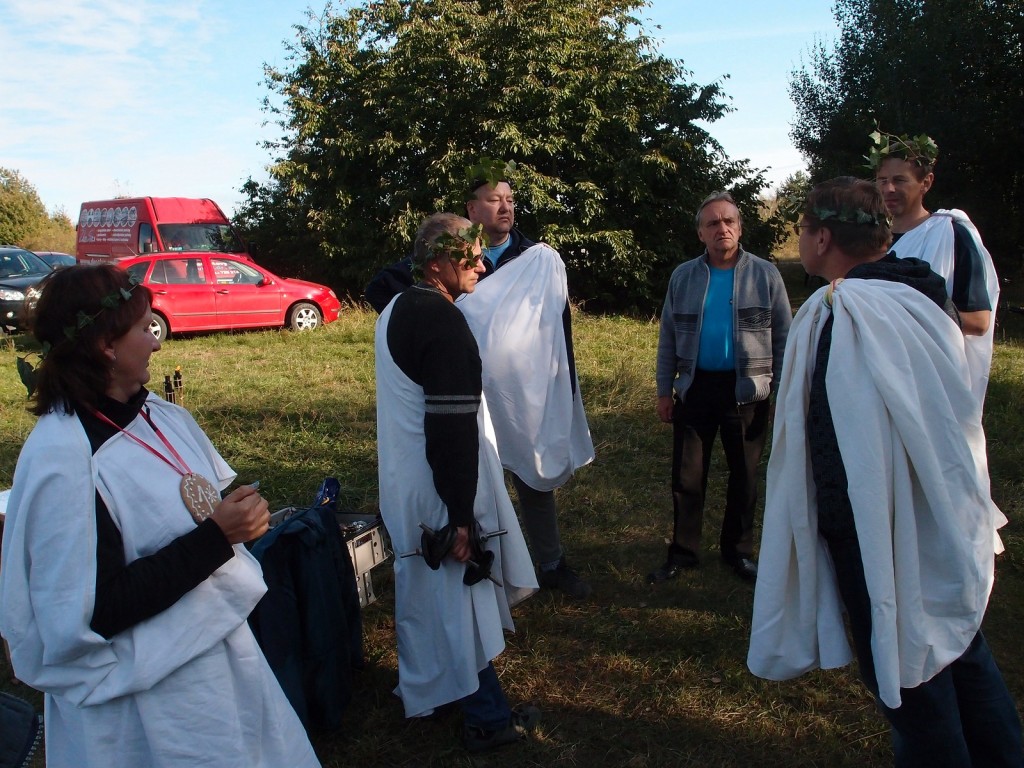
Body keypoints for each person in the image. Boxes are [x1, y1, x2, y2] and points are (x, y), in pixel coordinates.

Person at [748, 177, 1021, 767]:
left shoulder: (846, 313)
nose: (802, 240)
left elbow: (835, 440)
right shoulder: (921, 294)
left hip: (878, 530)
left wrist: (832, 534)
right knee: (961, 650)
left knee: (910, 679)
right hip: (941, 508)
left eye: (803, 229)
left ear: (824, 238)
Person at [0, 265, 319, 768]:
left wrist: (230, 521)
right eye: (144, 328)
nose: (156, 342)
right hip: (146, 703)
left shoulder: (158, 416)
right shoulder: (65, 460)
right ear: (105, 345)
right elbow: (94, 611)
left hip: (218, 656)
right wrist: (216, 537)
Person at [367, 170, 594, 599]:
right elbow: (388, 290)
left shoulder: (534, 258)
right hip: (459, 385)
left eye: (510, 199)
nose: (505, 207)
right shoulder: (448, 252)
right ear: (472, 210)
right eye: (493, 200)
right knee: (475, 475)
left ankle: (550, 563)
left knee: (532, 475)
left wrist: (561, 386)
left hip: (522, 394)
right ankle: (492, 567)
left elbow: (557, 327)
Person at [375, 213, 540, 753]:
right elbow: (450, 427)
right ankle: (486, 718)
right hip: (436, 486)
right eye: (468, 255)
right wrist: (461, 515)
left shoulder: (399, 305)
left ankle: (431, 693)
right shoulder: (439, 319)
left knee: (430, 597)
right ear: (435, 263)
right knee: (459, 597)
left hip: (408, 481)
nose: (480, 264)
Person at [650, 191, 791, 583]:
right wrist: (664, 389)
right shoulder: (684, 276)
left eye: (729, 221)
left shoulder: (765, 275)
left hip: (747, 391)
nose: (721, 228)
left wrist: (783, 389)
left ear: (740, 228)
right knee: (687, 476)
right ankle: (683, 553)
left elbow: (784, 337)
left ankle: (739, 553)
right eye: (712, 223)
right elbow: (668, 338)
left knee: (744, 475)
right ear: (701, 233)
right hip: (696, 388)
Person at [871, 129, 999, 405]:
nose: (888, 189)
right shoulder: (870, 242)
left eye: (899, 180)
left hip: (934, 384)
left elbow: (979, 321)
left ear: (926, 182)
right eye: (882, 180)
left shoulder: (950, 235)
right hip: (879, 381)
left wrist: (907, 314)